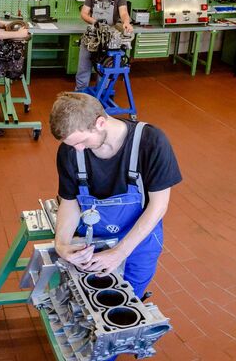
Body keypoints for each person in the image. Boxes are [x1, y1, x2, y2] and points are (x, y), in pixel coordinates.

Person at [49, 92, 182, 297]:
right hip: (91, 243)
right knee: (85, 299)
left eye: (82, 141)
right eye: (71, 144)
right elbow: (69, 201)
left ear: (100, 122)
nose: (78, 149)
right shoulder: (69, 152)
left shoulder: (152, 142)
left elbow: (159, 206)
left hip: (137, 244)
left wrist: (120, 252)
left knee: (126, 300)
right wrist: (62, 244)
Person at [75, 0, 134, 91]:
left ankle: (101, 93)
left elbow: (123, 13)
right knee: (83, 67)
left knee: (105, 68)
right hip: (92, 35)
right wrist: (94, 22)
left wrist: (126, 22)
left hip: (108, 38)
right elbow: (84, 13)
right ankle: (80, 93)